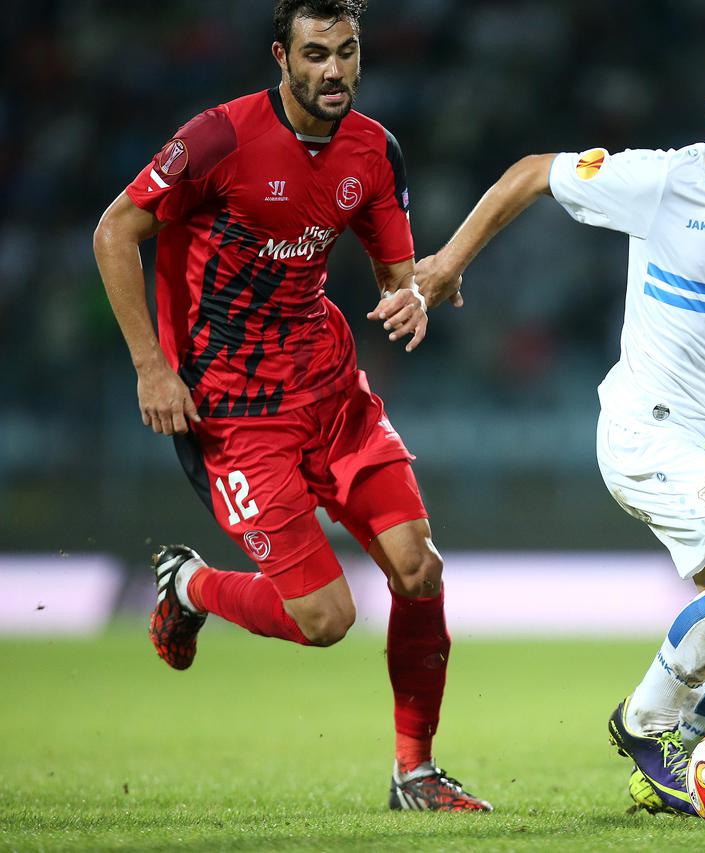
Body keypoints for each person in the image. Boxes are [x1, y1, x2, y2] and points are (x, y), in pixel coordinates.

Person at [413, 31, 705, 815]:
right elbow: (532, 173)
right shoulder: (662, 182)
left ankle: (669, 768)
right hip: (647, 430)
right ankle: (646, 721)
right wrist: (450, 262)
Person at [92, 0, 489, 813]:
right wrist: (150, 367)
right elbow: (112, 231)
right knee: (325, 617)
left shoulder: (375, 150)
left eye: (346, 52)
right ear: (281, 55)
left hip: (331, 390)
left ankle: (415, 773)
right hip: (233, 416)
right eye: (315, 54)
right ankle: (192, 585)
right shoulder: (217, 139)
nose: (334, 71)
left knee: (420, 569)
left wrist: (410, 298)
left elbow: (393, 274)